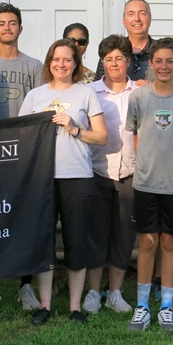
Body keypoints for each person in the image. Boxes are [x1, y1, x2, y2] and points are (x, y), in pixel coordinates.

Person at [20, 39, 109, 325]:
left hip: (77, 177)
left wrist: (74, 128)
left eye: (67, 59)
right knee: (44, 242)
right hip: (42, 179)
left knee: (76, 241)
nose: (61, 64)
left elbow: (102, 136)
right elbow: (21, 136)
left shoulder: (86, 94)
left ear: (76, 63)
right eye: (56, 59)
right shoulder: (35, 95)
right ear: (49, 63)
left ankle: (74, 307)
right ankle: (45, 305)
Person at [124, 37, 173, 334]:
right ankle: (142, 306)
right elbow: (135, 135)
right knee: (146, 242)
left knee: (169, 242)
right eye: (159, 61)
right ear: (151, 64)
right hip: (146, 181)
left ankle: (166, 307)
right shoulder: (139, 98)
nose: (164, 66)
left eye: (171, 61)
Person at [0, 2, 44, 310]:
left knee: (24, 219)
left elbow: (43, 111)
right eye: (1, 23)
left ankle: (25, 285)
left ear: (20, 28)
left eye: (12, 23)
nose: (7, 27)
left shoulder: (34, 67)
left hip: (25, 155)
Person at [85, 35, 138, 314]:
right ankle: (93, 292)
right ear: (101, 62)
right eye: (108, 59)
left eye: (119, 58)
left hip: (130, 173)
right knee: (96, 234)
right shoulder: (89, 92)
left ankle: (115, 293)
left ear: (128, 61)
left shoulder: (140, 91)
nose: (114, 63)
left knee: (123, 235)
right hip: (97, 171)